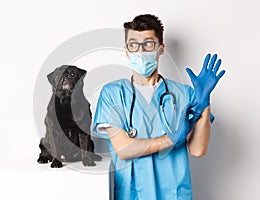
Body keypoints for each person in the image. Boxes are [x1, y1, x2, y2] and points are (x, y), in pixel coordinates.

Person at [92, 14, 225, 200]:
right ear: (126, 51)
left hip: (174, 193)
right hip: (133, 194)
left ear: (161, 48)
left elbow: (197, 150)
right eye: (133, 44)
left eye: (148, 44)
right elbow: (124, 149)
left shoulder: (184, 94)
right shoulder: (112, 94)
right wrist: (172, 139)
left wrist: (204, 104)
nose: (140, 51)